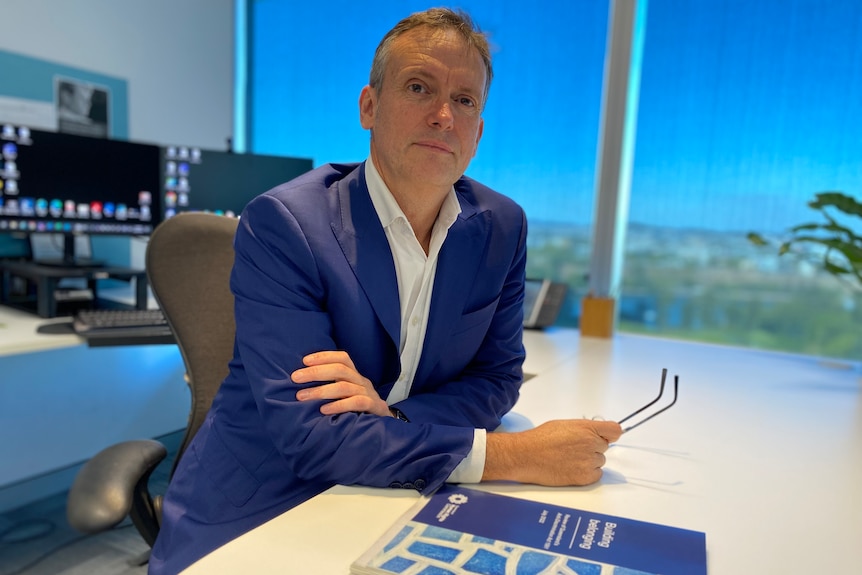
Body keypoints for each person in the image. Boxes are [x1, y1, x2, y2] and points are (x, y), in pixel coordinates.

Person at [148, 8, 622, 574]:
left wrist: (391, 420)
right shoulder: (285, 223)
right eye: (419, 88)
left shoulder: (502, 226)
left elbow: (496, 379)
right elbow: (313, 438)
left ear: (479, 130)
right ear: (369, 107)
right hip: (265, 499)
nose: (444, 115)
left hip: (402, 491)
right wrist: (512, 455)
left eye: (465, 100)